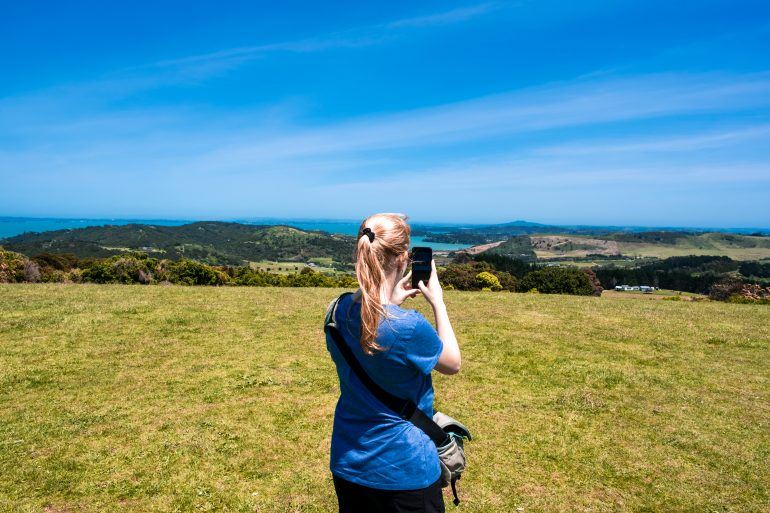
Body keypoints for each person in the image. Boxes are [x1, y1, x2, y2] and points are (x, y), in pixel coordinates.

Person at [325, 213, 462, 513]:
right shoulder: (409, 327)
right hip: (404, 470)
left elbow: (370, 337)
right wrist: (438, 302)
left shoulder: (335, 312)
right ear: (403, 259)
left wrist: (391, 301)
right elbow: (452, 363)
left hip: (348, 462)